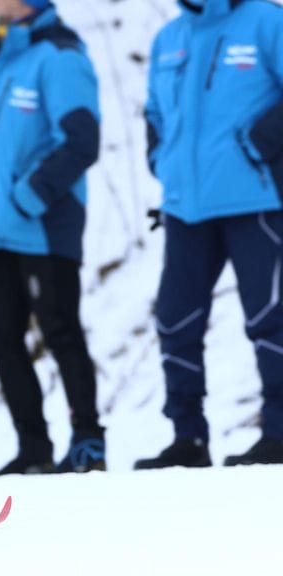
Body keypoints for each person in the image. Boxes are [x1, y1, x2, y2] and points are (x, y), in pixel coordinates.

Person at [134, 0, 283, 470]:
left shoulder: (268, 20)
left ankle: (280, 433)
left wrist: (258, 145)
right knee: (175, 320)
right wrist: (161, 160)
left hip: (257, 200)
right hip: (185, 207)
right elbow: (154, 112)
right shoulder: (169, 37)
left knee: (272, 317)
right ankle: (188, 438)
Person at [0, 0, 104, 476]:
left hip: (44, 223)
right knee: (1, 336)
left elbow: (81, 141)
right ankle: (34, 449)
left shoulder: (61, 57)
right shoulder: (0, 61)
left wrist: (30, 195)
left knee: (60, 330)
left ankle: (88, 444)